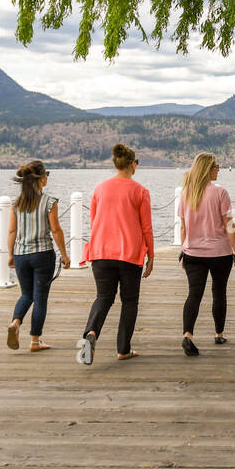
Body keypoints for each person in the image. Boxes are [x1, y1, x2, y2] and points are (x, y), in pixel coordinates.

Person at [77, 144, 154, 365]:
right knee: (129, 301)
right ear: (132, 164)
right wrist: (151, 255)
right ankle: (123, 349)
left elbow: (94, 222)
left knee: (103, 297)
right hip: (129, 254)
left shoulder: (100, 189)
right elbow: (146, 227)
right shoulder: (140, 191)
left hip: (100, 252)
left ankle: (91, 332)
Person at [177, 152, 235, 356]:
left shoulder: (186, 193)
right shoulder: (220, 192)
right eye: (216, 165)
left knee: (194, 294)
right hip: (220, 253)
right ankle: (218, 333)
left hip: (193, 253)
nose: (219, 168)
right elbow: (229, 225)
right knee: (219, 291)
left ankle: (188, 334)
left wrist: (183, 250)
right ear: (208, 168)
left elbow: (183, 228)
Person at [6, 160, 69, 351]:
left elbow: (11, 231)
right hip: (42, 255)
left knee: (26, 294)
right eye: (46, 174)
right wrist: (65, 255)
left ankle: (15, 322)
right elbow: (56, 230)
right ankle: (34, 341)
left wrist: (10, 255)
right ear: (41, 179)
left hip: (21, 255)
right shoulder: (49, 202)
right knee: (40, 297)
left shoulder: (17, 203)